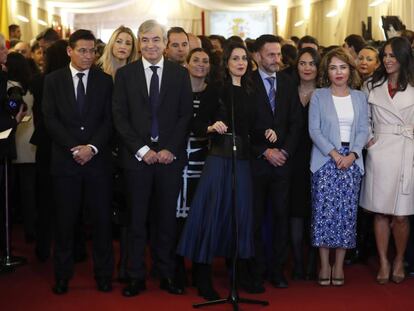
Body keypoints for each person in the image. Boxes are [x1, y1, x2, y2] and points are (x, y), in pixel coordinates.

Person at [178, 42, 274, 301]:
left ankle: (240, 275)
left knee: (239, 218)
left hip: (243, 162)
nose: (241, 63)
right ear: (226, 63)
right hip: (219, 160)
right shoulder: (217, 89)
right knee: (211, 216)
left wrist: (266, 132)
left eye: (244, 58)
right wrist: (212, 126)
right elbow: (196, 124)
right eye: (235, 58)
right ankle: (202, 277)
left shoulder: (251, 91)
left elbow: (252, 128)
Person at [112, 19, 192, 297]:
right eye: (145, 40)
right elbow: (119, 117)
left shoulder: (180, 74)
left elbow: (185, 116)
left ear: (165, 43)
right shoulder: (125, 75)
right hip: (137, 160)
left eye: (156, 40)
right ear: (139, 43)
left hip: (169, 159)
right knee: (136, 220)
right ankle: (135, 275)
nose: (150, 45)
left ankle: (166, 273)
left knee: (166, 221)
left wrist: (170, 148)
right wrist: (142, 150)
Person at [42, 29, 114, 294]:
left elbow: (109, 120)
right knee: (64, 222)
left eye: (92, 50)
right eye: (82, 50)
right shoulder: (53, 80)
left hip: (98, 163)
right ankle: (62, 275)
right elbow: (50, 119)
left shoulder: (105, 81)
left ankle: (104, 275)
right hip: (65, 162)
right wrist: (75, 148)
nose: (88, 56)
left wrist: (92, 147)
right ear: (69, 51)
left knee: (102, 223)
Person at [309, 47, 369, 286]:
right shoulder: (319, 96)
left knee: (346, 214)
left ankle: (340, 265)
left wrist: (353, 154)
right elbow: (314, 130)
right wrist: (334, 154)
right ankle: (324, 264)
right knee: (323, 214)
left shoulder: (359, 97)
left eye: (343, 67)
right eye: (333, 67)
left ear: (350, 70)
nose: (338, 72)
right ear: (327, 71)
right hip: (325, 160)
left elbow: (364, 129)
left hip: (352, 160)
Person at [249, 34, 303, 291]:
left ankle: (277, 270)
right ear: (257, 56)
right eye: (270, 54)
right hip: (256, 163)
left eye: (279, 54)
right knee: (256, 219)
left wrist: (284, 152)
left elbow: (296, 122)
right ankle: (256, 271)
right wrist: (264, 151)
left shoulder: (288, 81)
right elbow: (243, 128)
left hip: (283, 163)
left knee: (281, 218)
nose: (276, 59)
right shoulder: (246, 83)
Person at [360, 36, 414, 285]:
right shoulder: (371, 84)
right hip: (380, 151)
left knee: (402, 215)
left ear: (404, 57)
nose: (387, 60)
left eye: (393, 55)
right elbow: (364, 118)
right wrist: (370, 140)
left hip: (407, 150)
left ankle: (398, 259)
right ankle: (383, 260)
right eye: (385, 55)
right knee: (380, 212)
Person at [30, 40, 70, 262]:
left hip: (45, 145)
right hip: (63, 146)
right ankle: (74, 247)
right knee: (70, 201)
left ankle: (43, 247)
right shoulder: (63, 83)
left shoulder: (38, 81)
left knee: (44, 199)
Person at [289, 47, 320, 280]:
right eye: (302, 63)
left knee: (315, 210)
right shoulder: (287, 91)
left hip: (319, 157)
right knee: (295, 211)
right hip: (291, 159)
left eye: (311, 63)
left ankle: (313, 261)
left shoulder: (326, 94)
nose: (307, 68)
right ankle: (297, 262)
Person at [6, 52, 36, 243]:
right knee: (29, 192)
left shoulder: (9, 88)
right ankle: (31, 229)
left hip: (12, 141)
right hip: (30, 143)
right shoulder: (31, 86)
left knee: (11, 192)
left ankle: (12, 230)